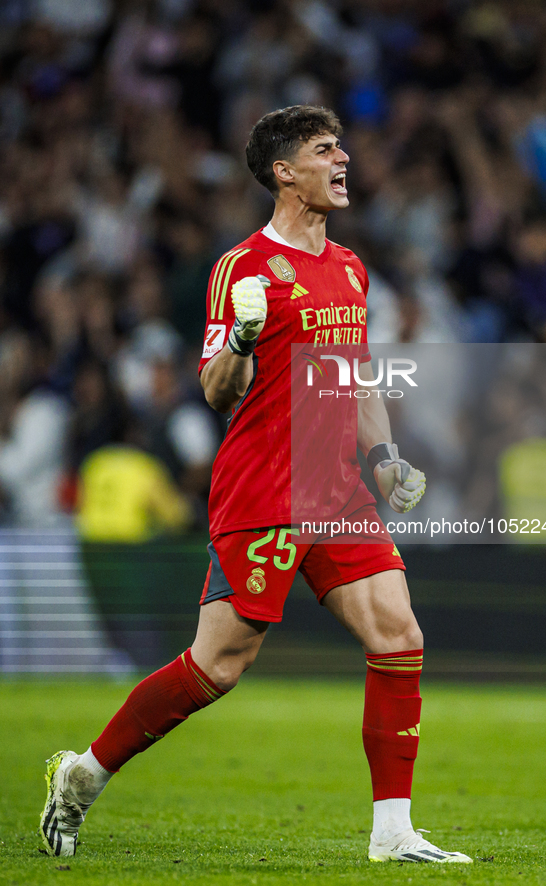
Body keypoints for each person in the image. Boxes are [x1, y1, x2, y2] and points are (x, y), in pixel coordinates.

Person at [40, 105, 472, 865]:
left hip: (337, 490)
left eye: (342, 148)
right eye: (324, 150)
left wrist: (384, 459)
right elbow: (215, 389)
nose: (343, 161)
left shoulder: (348, 267)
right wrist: (239, 339)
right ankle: (83, 775)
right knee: (219, 665)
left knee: (398, 635)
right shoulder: (242, 268)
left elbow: (354, 376)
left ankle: (392, 832)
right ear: (283, 171)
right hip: (264, 489)